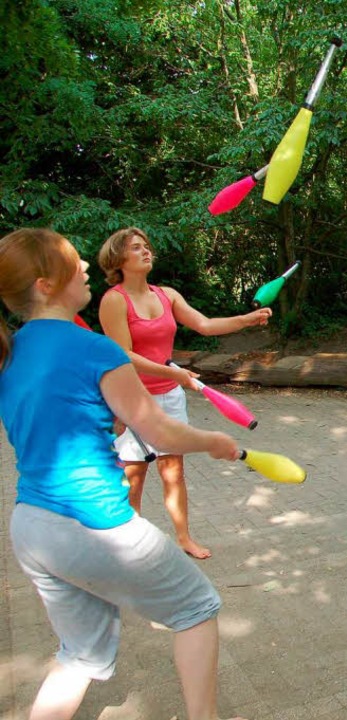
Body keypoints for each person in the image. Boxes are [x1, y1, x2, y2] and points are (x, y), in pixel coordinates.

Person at [0, 228, 245, 720]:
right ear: (47, 285)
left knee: (80, 655)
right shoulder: (92, 348)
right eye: (75, 263)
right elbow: (157, 429)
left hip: (31, 526)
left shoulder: (14, 349)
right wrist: (214, 442)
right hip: (93, 522)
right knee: (197, 609)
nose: (87, 268)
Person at [98, 228, 270, 559]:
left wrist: (246, 320)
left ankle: (184, 538)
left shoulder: (166, 294)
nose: (146, 251)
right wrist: (173, 373)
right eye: (136, 248)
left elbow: (205, 325)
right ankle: (127, 546)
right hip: (133, 398)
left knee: (173, 471)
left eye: (147, 246)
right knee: (134, 475)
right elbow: (124, 355)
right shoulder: (114, 300)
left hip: (169, 396)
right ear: (118, 259)